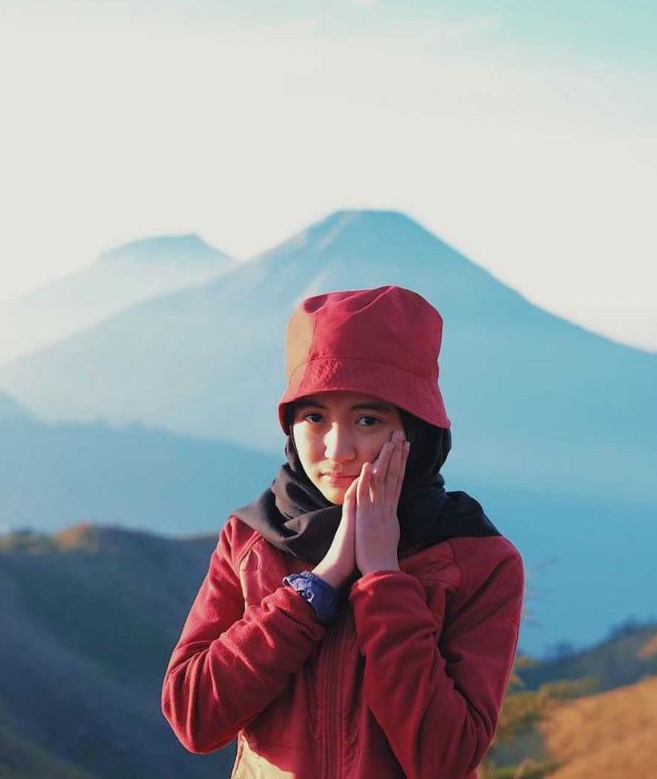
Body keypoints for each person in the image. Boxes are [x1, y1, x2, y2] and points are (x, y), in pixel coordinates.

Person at [162, 285, 524, 779]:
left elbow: (446, 758)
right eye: (314, 417)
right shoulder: (251, 541)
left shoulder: (475, 559)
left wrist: (383, 579)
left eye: (368, 419)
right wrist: (318, 586)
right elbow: (194, 718)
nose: (337, 449)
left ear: (415, 433)